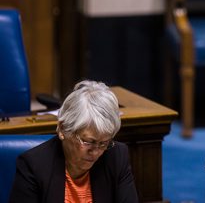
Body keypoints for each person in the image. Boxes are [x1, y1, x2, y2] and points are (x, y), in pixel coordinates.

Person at [9, 80, 138, 203]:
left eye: (104, 143)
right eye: (88, 142)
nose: (96, 152)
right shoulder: (33, 166)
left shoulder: (116, 156)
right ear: (63, 129)